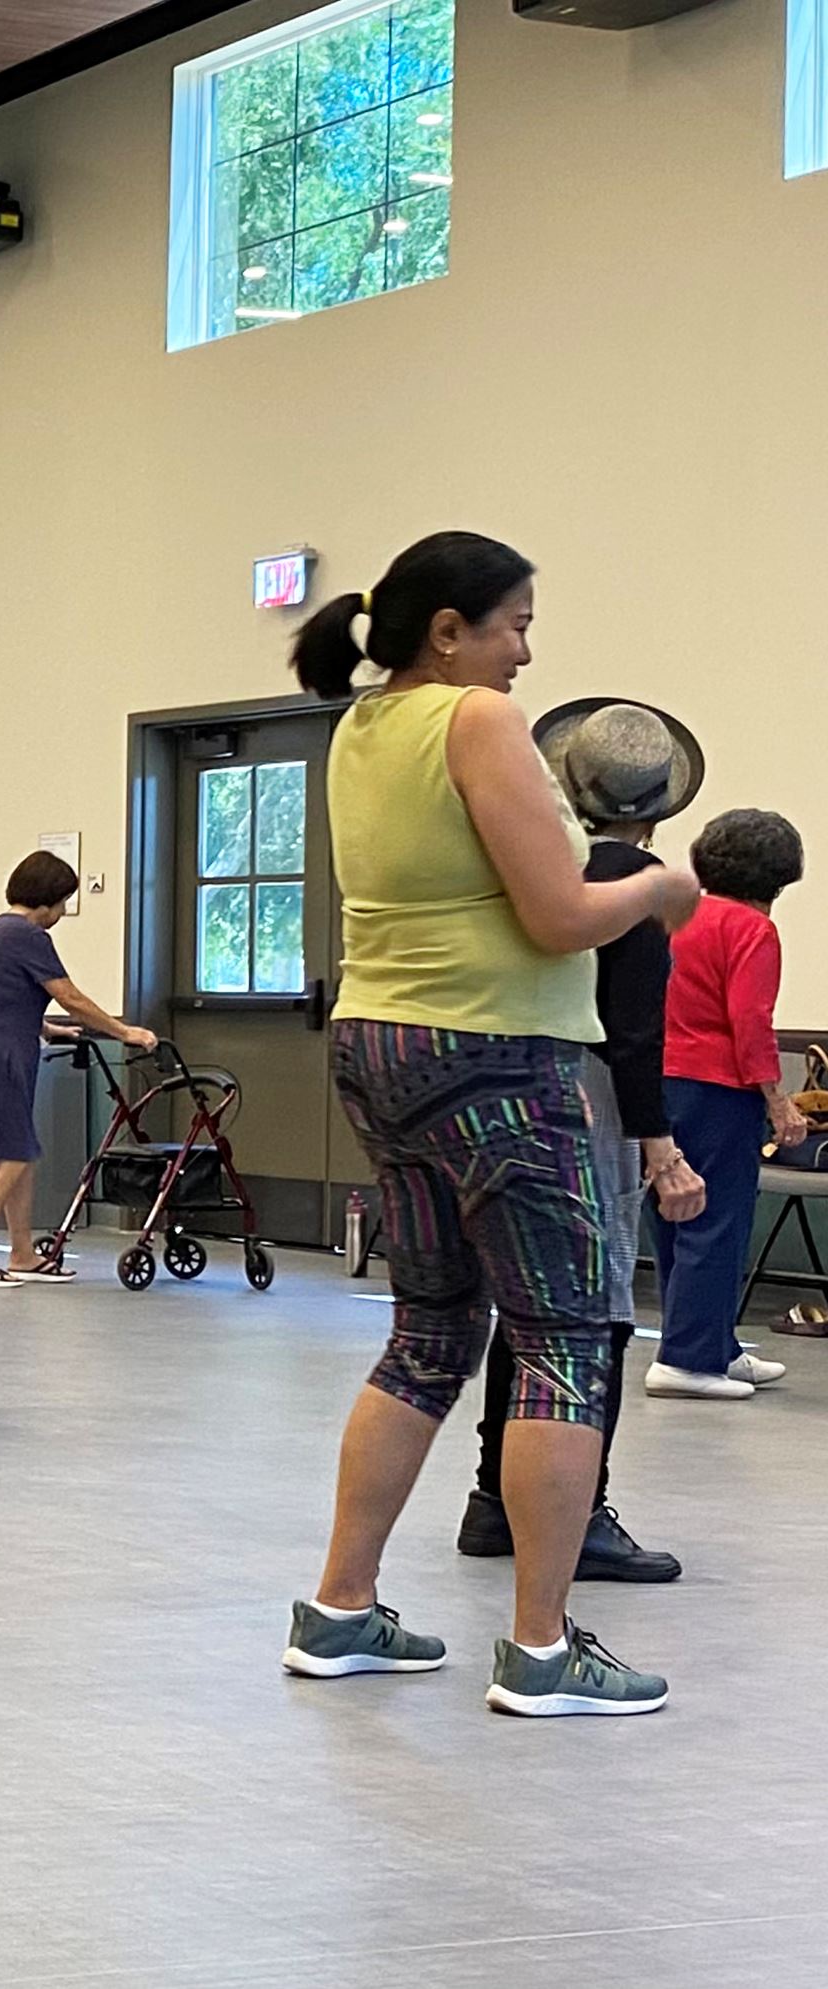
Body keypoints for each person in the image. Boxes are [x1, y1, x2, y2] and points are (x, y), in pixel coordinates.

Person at [277, 532, 699, 1720]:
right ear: (447, 630)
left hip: (380, 1045)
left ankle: (341, 1609)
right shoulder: (474, 723)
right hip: (502, 1057)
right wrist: (658, 890)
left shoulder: (359, 729)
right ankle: (541, 1647)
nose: (526, 647)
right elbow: (561, 914)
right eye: (513, 621)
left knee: (428, 1331)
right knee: (566, 1340)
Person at [456, 702, 706, 1579]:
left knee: (523, 1308)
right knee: (593, 1319)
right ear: (662, 800)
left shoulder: (543, 870)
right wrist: (662, 1149)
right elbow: (635, 1035)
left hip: (510, 1093)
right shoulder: (642, 890)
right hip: (594, 1108)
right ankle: (578, 1508)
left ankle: (494, 1496)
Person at [644, 807, 807, 1400]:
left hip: (660, 1080)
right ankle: (688, 1360)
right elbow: (749, 1020)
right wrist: (779, 1100)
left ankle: (712, 1347)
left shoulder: (676, 916)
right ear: (781, 874)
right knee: (717, 1220)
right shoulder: (753, 930)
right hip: (718, 1087)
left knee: (673, 1214)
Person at [0, 850, 155, 1287]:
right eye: (63, 903)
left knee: (20, 1154)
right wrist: (124, 1032)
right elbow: (70, 996)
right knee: (11, 1156)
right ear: (46, 901)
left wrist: (45, 1028)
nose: (63, 913)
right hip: (2, 1055)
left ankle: (22, 1253)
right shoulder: (28, 935)